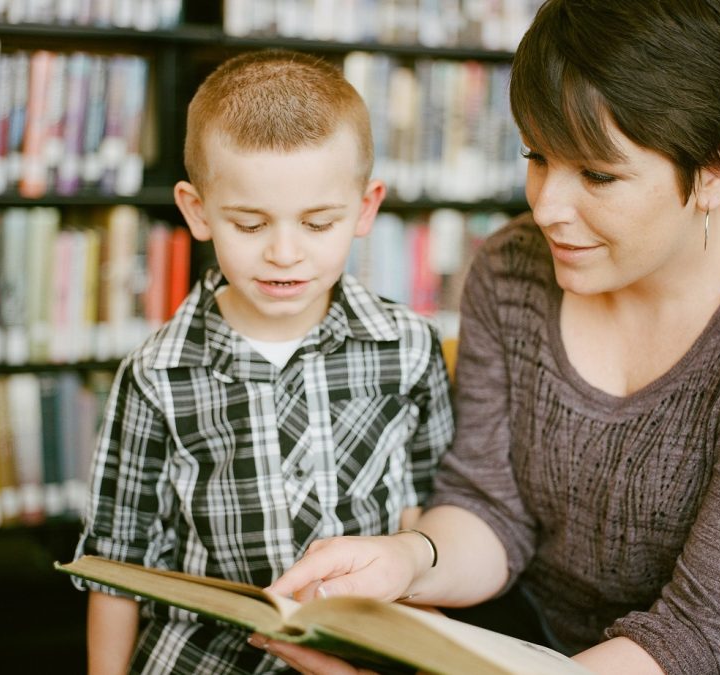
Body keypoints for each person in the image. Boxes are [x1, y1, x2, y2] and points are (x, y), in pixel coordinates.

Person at [261, 2, 720, 674]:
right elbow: (489, 509)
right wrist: (407, 560)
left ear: (715, 169)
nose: (545, 207)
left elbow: (702, 635)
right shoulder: (510, 269)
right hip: (534, 635)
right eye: (537, 156)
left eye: (597, 175)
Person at [72, 49, 454, 674]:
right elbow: (116, 562)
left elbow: (426, 508)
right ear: (197, 211)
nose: (284, 253)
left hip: (363, 655)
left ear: (365, 208)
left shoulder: (409, 346)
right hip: (203, 659)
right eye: (250, 225)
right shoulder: (156, 374)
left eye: (317, 223)